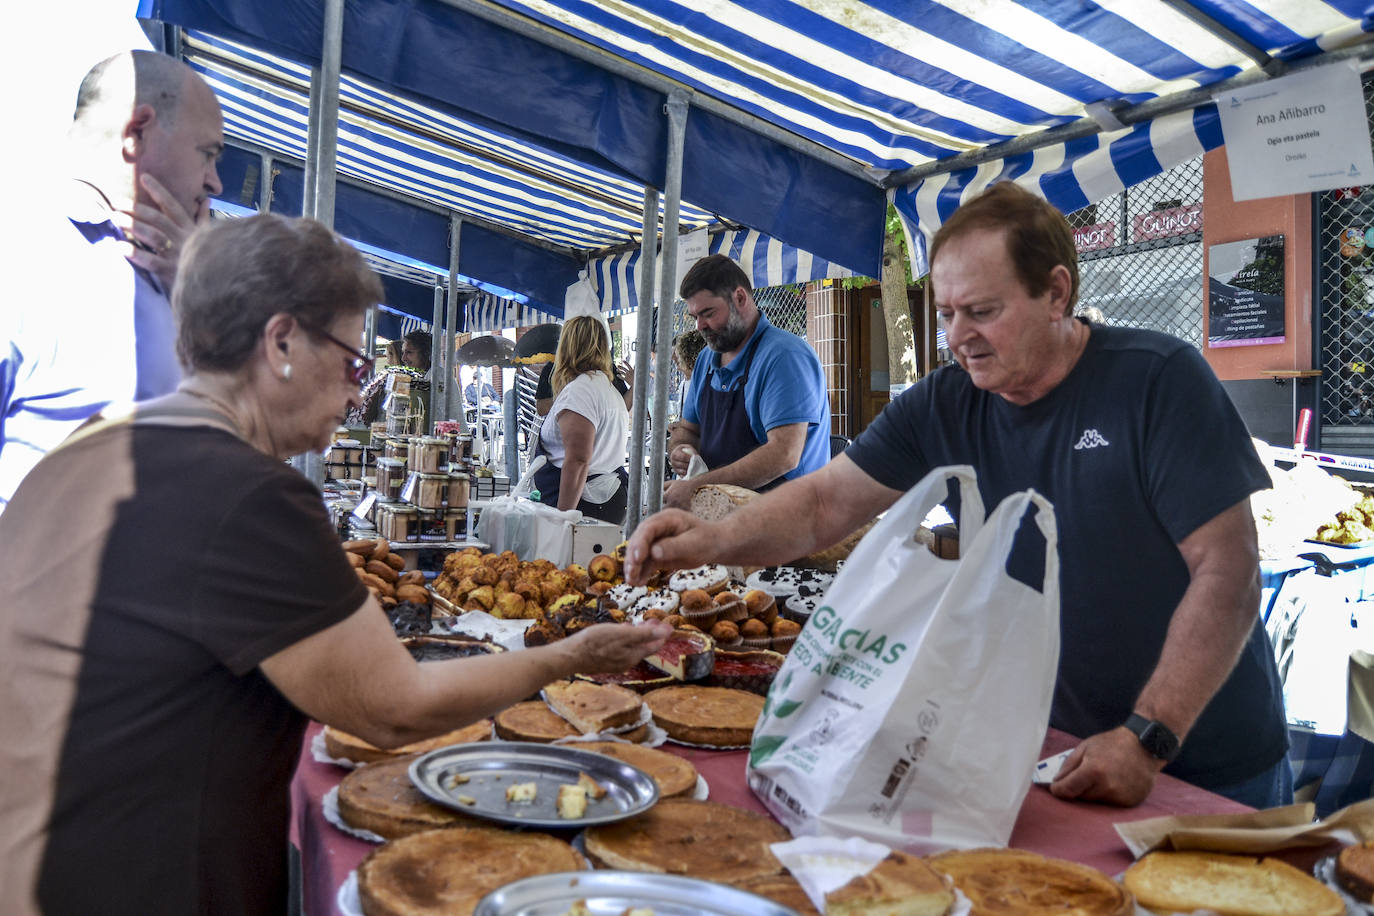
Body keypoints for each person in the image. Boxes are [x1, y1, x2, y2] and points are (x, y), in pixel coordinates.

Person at [0, 214, 671, 916]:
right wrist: (569, 655)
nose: (359, 393)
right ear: (281, 340)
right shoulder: (250, 494)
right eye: (354, 363)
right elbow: (395, 708)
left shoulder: (85, 447)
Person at [627, 182, 1289, 810]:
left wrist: (1149, 735)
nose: (958, 336)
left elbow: (1228, 569)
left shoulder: (1158, 382)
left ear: (1056, 292)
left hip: (1204, 762)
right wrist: (711, 541)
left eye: (983, 311)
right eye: (946, 313)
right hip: (1052, 748)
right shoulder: (948, 401)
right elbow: (823, 504)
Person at [0, 50, 224, 512]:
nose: (216, 182)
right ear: (136, 133)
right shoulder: (22, 254)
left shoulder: (172, 263)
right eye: (208, 154)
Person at [663, 255, 831, 510]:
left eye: (708, 313)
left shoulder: (784, 357)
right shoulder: (706, 360)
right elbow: (688, 430)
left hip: (790, 519)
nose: (700, 326)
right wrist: (680, 449)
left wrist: (699, 489)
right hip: (724, 515)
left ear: (740, 298)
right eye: (695, 317)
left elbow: (783, 455)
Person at [531, 315, 631, 523]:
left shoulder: (581, 390)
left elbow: (578, 460)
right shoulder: (605, 388)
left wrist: (562, 519)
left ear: (567, 346)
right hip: (601, 500)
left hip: (585, 504)